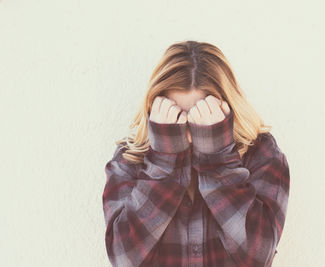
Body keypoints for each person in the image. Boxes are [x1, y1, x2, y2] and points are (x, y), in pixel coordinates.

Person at [102, 40, 290, 267]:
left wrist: (217, 159)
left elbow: (258, 255)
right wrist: (164, 161)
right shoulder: (129, 160)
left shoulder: (261, 154)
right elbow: (123, 258)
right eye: (176, 114)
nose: (189, 130)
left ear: (227, 108)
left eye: (203, 113)